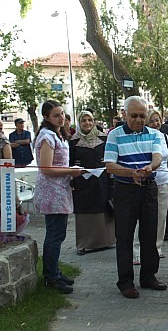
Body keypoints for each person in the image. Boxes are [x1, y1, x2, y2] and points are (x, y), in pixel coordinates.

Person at [104, 96, 167, 299]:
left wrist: (150, 167)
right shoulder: (114, 135)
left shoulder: (155, 134)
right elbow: (110, 165)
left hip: (149, 188)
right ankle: (125, 281)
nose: (139, 120)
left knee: (150, 234)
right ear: (125, 114)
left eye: (142, 115)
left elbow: (157, 157)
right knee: (124, 237)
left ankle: (148, 276)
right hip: (125, 190)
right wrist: (131, 173)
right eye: (134, 116)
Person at [33, 100, 85, 294]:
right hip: (51, 191)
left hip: (60, 189)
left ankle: (53, 271)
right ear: (46, 117)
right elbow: (46, 168)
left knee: (58, 234)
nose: (61, 117)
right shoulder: (47, 136)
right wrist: (70, 171)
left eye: (62, 114)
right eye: (56, 115)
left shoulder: (58, 134)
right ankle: (51, 277)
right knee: (55, 235)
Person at [69, 110, 115, 256]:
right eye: (84, 120)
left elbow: (110, 157)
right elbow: (69, 162)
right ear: (79, 122)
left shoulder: (104, 138)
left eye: (90, 120)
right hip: (82, 181)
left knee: (104, 208)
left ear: (94, 121)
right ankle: (83, 244)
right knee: (84, 210)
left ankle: (106, 241)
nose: (87, 123)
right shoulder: (73, 141)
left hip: (102, 179)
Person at [132, 109, 168, 264]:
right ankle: (136, 250)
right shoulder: (143, 137)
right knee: (140, 218)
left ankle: (157, 247)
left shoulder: (165, 137)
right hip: (147, 181)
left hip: (164, 180)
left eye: (158, 120)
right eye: (152, 121)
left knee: (161, 217)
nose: (156, 124)